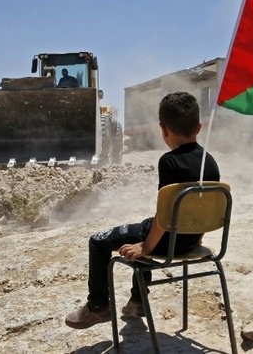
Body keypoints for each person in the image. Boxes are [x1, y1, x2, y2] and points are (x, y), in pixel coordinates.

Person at [64, 91, 220, 329]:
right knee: (141, 231)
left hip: (166, 241)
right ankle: (137, 301)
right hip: (192, 241)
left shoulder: (168, 161)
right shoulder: (210, 161)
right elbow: (201, 209)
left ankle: (97, 307)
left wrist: (146, 246)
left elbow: (164, 215)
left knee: (98, 241)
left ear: (163, 129)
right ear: (199, 126)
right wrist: (192, 238)